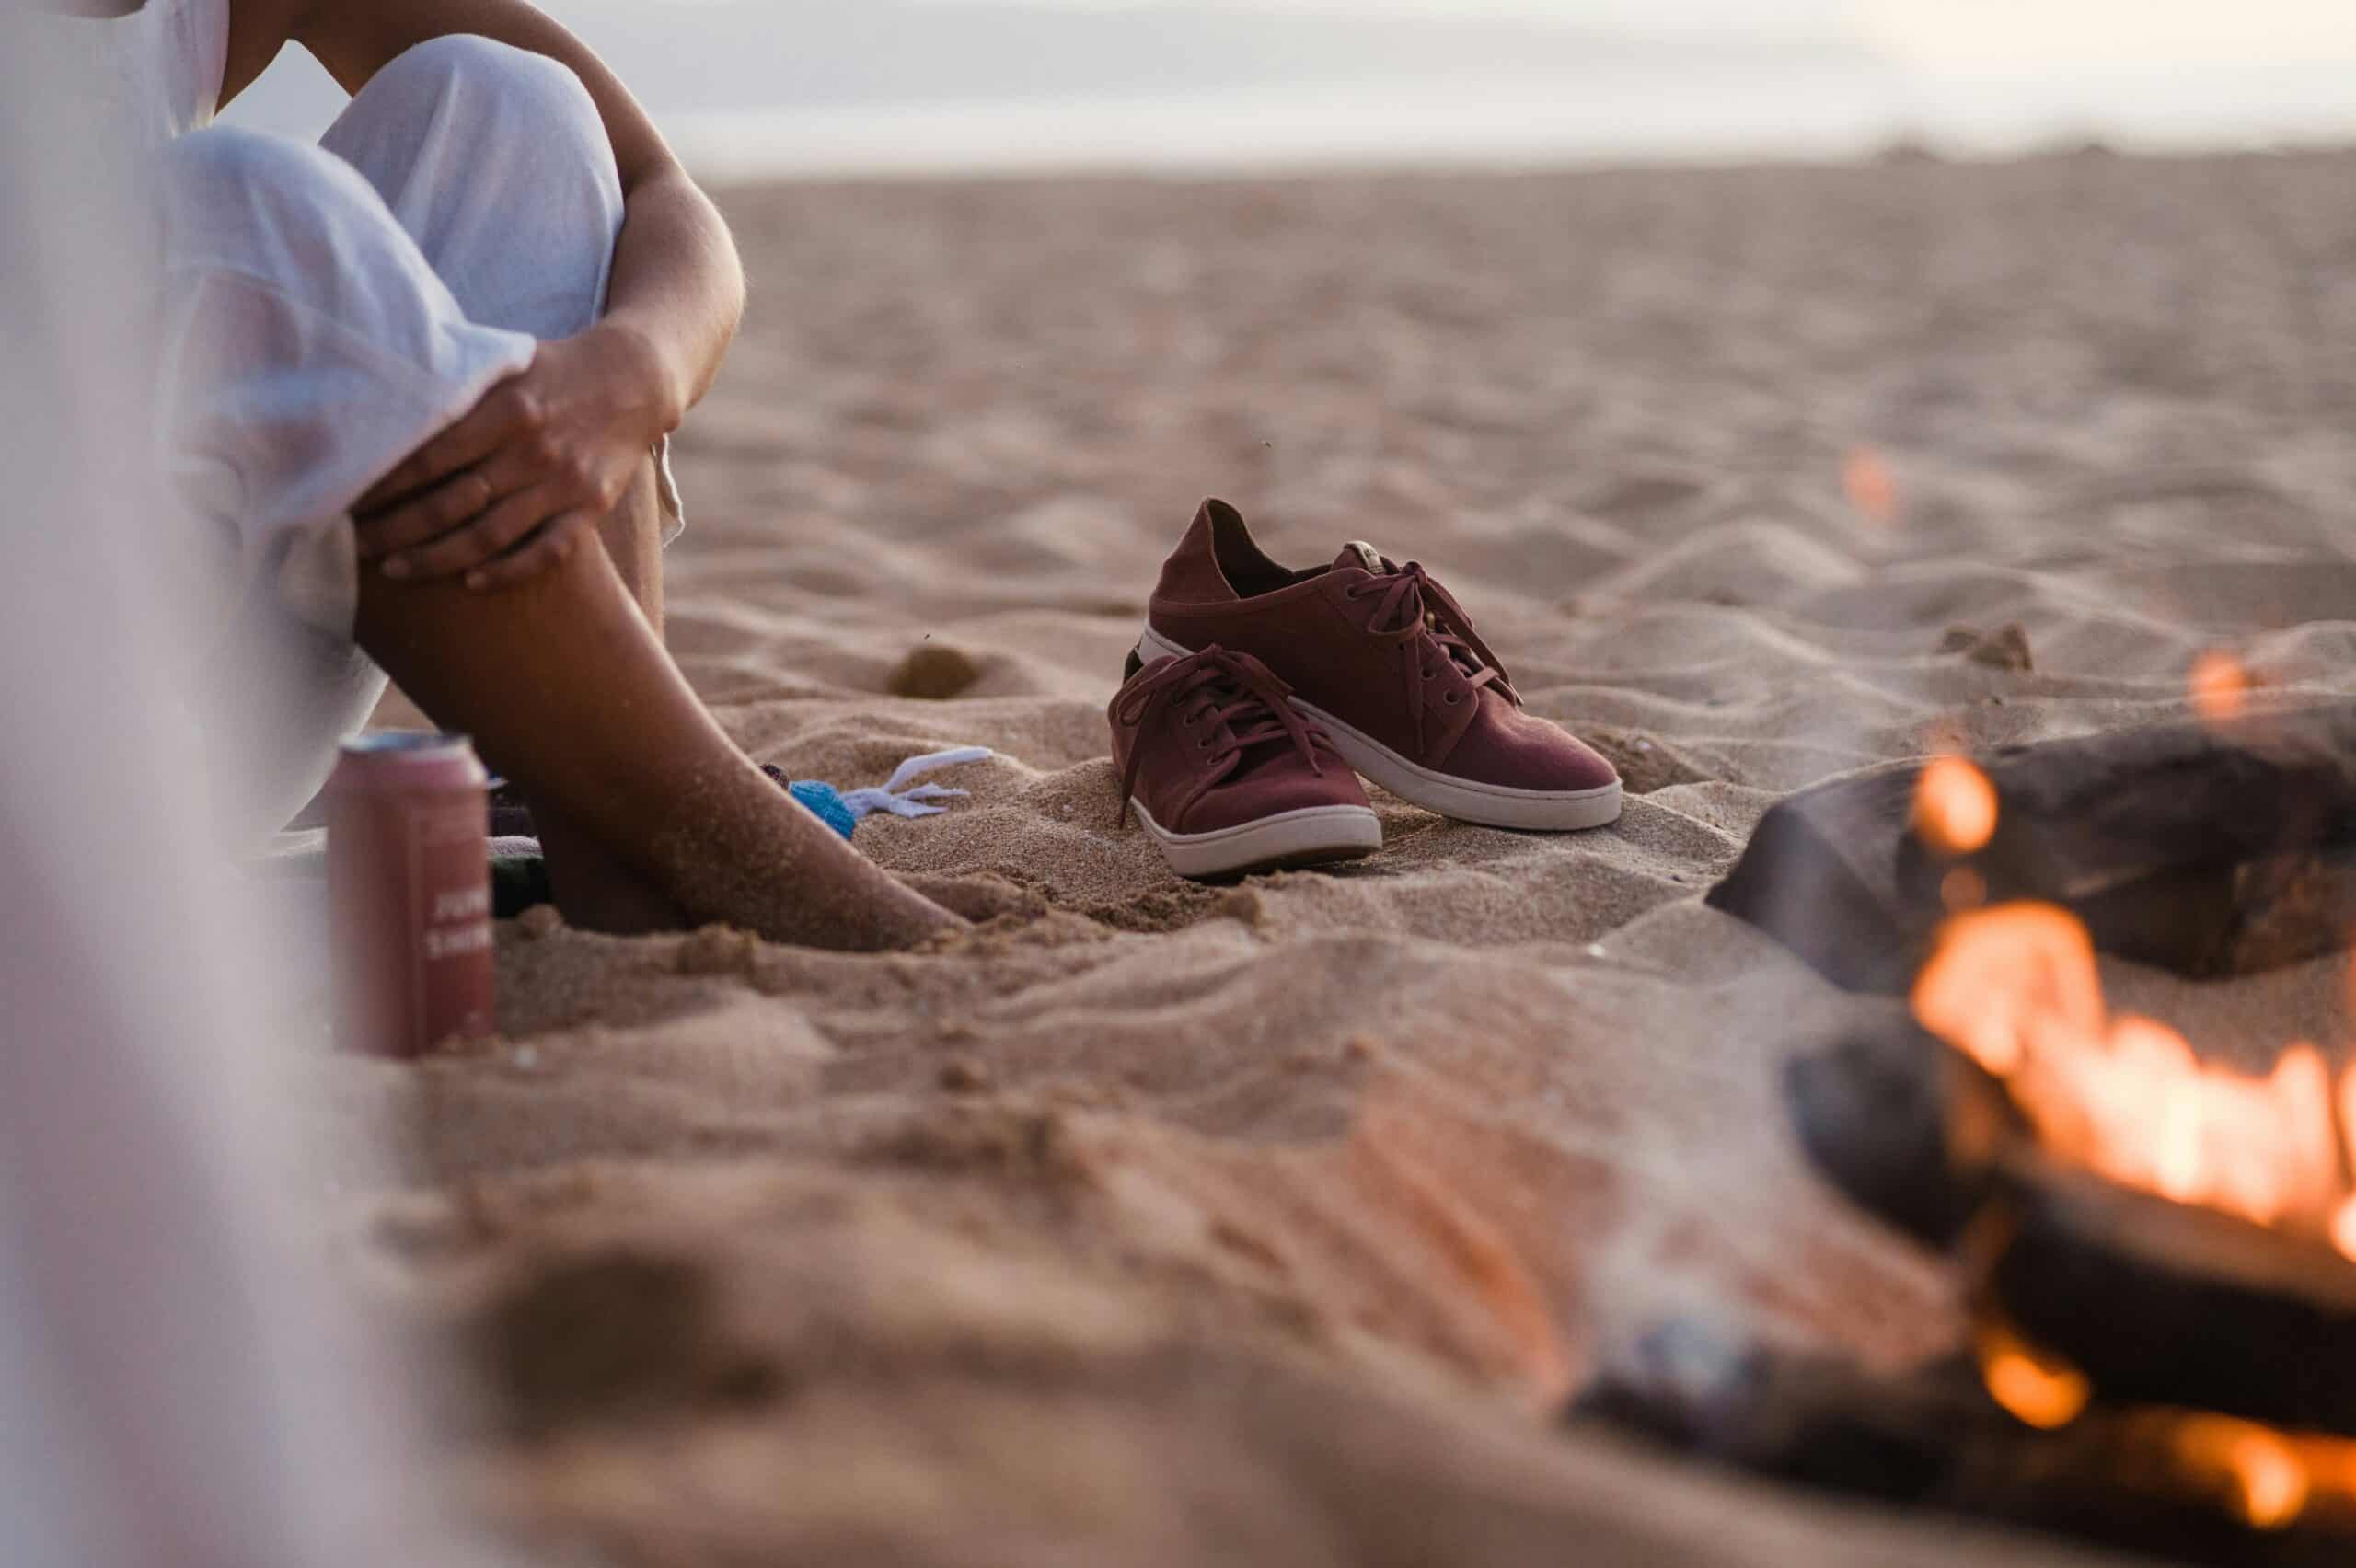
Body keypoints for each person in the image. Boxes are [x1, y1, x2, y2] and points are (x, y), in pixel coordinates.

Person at [62, 0, 964, 950]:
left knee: (509, 106)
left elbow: (659, 187)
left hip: (181, 726)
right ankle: (712, 838)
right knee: (237, 211)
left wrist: (634, 373)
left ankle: (609, 847)